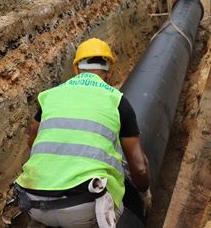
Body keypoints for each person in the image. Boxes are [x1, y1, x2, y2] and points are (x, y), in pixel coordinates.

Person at [13, 38, 151, 228]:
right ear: (108, 74)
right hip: (87, 207)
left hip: (34, 202)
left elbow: (32, 142)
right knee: (130, 214)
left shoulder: (50, 96)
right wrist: (143, 193)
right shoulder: (117, 101)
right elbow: (139, 166)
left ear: (76, 69)